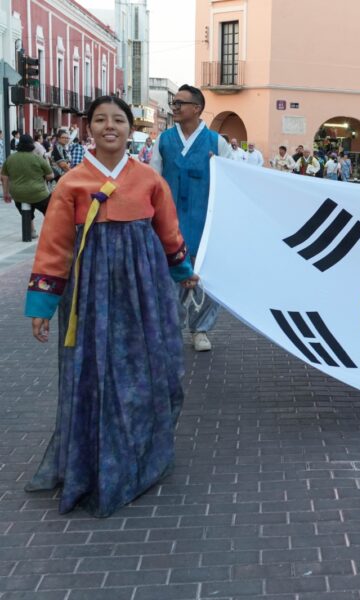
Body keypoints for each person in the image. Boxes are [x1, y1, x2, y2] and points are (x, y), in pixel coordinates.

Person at [23, 95, 198, 517]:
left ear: (129, 128)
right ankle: (94, 461)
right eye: (100, 120)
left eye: (117, 120)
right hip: (88, 295)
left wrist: (184, 271)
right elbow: (55, 246)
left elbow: (169, 233)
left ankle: (142, 451)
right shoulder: (71, 183)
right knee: (95, 371)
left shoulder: (150, 180)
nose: (109, 127)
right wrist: (42, 305)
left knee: (148, 368)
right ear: (89, 129)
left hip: (145, 294)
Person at [150, 84, 233, 352]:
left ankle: (201, 329)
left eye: (179, 103)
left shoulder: (216, 142)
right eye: (173, 103)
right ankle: (172, 328)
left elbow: (231, 182)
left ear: (196, 108)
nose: (174, 108)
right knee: (168, 278)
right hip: (169, 222)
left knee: (206, 280)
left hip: (206, 223)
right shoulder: (163, 141)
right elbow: (153, 181)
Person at [1, 134, 54, 239]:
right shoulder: (37, 158)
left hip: (18, 194)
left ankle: (31, 231)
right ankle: (51, 231)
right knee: (50, 209)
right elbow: (50, 176)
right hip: (38, 193)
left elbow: (4, 177)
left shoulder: (10, 159)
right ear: (32, 144)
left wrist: (6, 193)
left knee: (25, 210)